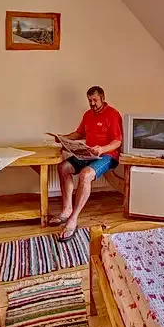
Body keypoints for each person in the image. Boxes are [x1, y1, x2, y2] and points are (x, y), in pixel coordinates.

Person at [53, 86, 122, 242]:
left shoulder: (113, 114)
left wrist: (102, 149)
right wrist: (63, 137)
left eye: (95, 100)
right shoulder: (87, 115)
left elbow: (117, 142)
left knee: (85, 175)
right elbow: (79, 133)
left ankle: (73, 219)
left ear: (103, 98)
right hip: (88, 153)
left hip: (107, 155)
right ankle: (66, 210)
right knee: (63, 167)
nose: (92, 104)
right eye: (89, 100)